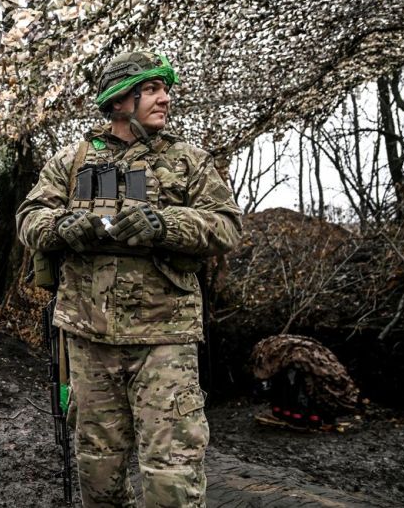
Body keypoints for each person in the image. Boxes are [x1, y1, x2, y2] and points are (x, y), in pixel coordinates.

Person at [16, 52, 242, 507]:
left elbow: (227, 226)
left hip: (164, 338)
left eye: (165, 89)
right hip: (88, 337)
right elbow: (28, 217)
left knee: (172, 476)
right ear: (120, 100)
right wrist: (61, 226)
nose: (166, 98)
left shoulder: (188, 160)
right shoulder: (73, 160)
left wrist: (165, 225)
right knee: (98, 471)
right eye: (153, 89)